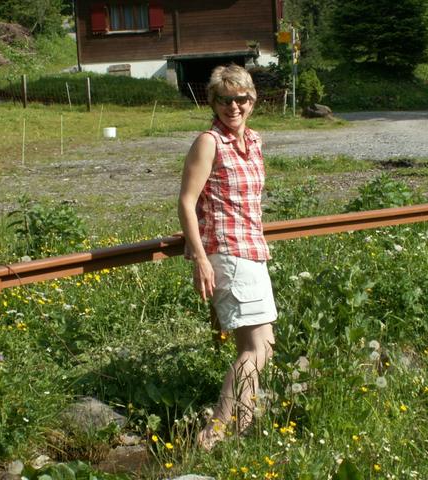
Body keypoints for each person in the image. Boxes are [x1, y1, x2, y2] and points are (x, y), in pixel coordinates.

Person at [178, 64, 277, 451]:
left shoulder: (254, 140)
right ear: (213, 102)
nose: (233, 106)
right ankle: (214, 433)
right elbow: (187, 202)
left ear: (253, 100)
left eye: (241, 99)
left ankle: (242, 428)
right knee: (259, 348)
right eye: (224, 100)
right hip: (228, 253)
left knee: (254, 348)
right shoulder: (209, 142)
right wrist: (201, 259)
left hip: (253, 250)